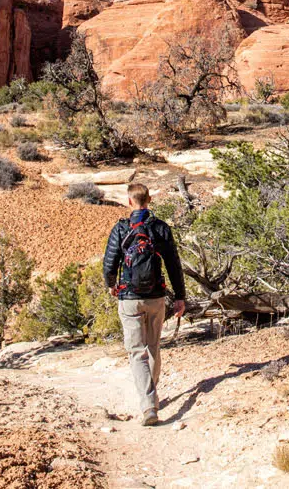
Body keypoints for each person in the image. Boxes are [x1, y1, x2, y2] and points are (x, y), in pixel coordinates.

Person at [102, 182, 186, 425]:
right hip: (156, 296)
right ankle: (151, 392)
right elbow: (173, 264)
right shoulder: (160, 228)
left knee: (136, 351)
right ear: (149, 200)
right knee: (153, 347)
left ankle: (149, 404)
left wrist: (111, 284)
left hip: (129, 297)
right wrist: (180, 296)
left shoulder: (121, 228)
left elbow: (110, 263)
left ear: (129, 201)